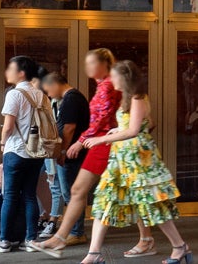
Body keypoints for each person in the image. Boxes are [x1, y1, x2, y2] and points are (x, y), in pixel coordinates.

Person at [31, 49, 149, 258]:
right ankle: (144, 240)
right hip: (105, 142)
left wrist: (80, 142)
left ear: (104, 64)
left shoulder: (108, 86)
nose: (88, 68)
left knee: (84, 191)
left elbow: (101, 120)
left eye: (91, 63)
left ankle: (68, 240)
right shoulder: (105, 85)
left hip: (104, 144)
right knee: (122, 193)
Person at [80, 61, 192, 263]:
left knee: (152, 204)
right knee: (105, 200)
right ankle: (93, 253)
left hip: (137, 160)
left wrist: (102, 138)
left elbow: (133, 131)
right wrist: (119, 130)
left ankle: (179, 246)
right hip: (124, 158)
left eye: (114, 76)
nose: (111, 80)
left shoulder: (138, 98)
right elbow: (147, 124)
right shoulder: (128, 98)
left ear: (125, 77)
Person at [0, 55, 50, 251]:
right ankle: (30, 239)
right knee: (29, 195)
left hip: (16, 151)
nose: (7, 72)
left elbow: (9, 126)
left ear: (21, 73)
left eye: (10, 68)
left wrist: (2, 143)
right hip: (36, 153)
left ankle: (4, 240)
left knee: (10, 196)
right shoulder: (41, 95)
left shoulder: (14, 94)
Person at [37, 72, 89, 243]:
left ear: (54, 84)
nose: (49, 94)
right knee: (70, 192)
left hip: (71, 156)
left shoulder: (71, 99)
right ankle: (75, 231)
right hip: (71, 154)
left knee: (71, 193)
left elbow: (68, 129)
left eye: (48, 90)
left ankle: (77, 232)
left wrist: (62, 152)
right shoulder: (71, 98)